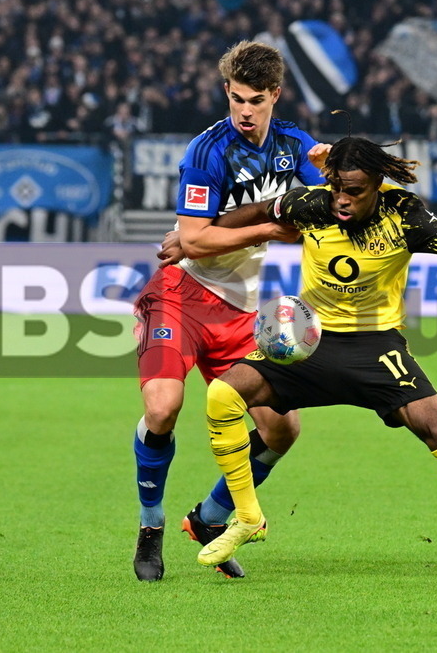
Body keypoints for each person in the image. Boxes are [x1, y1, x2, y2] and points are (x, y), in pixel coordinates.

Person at [190, 136, 437, 591]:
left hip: (377, 347)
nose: (342, 199)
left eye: (354, 191)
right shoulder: (310, 203)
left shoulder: (407, 215)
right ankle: (245, 516)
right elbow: (257, 213)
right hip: (310, 342)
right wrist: (194, 238)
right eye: (337, 186)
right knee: (223, 392)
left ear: (377, 184)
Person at [131, 40, 330, 581]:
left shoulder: (295, 145)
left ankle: (211, 517)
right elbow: (192, 241)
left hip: (241, 311)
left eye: (256, 101)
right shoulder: (207, 151)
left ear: (275, 96)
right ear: (226, 93)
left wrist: (333, 173)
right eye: (236, 98)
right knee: (162, 409)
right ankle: (151, 527)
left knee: (283, 430)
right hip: (181, 294)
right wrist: (273, 228)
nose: (244, 111)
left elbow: (330, 203)